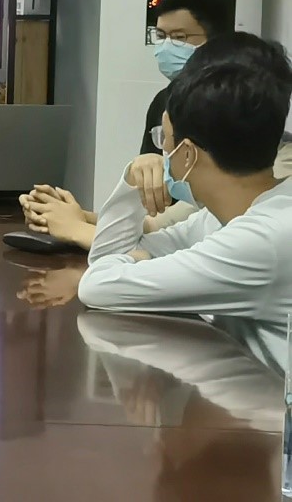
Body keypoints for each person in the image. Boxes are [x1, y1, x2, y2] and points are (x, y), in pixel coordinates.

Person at [77, 32, 292, 369]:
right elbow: (108, 260)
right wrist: (132, 181)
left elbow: (97, 287)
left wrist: (136, 257)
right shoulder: (227, 217)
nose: (161, 150)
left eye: (164, 138)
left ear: (188, 154)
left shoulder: (265, 238)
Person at [20, 0, 232, 247]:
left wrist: (76, 229)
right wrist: (76, 217)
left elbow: (150, 252)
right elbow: (156, 225)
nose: (167, 47)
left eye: (179, 37)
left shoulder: (229, 112)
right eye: (161, 36)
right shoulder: (163, 103)